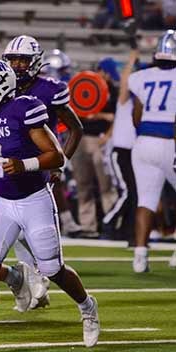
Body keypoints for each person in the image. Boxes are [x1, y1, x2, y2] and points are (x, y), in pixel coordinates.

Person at [0, 57, 99, 351]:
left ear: (2, 86)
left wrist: (25, 164)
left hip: (34, 199)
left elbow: (55, 155)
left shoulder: (23, 109)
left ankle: (87, 306)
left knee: (53, 269)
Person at [2, 35, 85, 308]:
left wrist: (60, 163)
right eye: (12, 59)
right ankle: (35, 280)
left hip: (38, 165)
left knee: (33, 228)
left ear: (36, 62)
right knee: (14, 226)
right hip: (9, 163)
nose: (16, 65)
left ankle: (39, 277)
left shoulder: (50, 89)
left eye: (22, 60)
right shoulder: (1, 86)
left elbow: (75, 128)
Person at [129, 30, 176, 273]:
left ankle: (140, 256)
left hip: (144, 141)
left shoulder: (141, 77)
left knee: (146, 200)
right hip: (170, 139)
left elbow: (136, 115)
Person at [70, 57, 118, 236]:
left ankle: (111, 223)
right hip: (82, 139)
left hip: (100, 141)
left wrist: (108, 134)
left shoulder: (113, 91)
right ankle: (88, 226)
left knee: (106, 185)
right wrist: (101, 116)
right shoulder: (83, 84)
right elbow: (78, 111)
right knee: (83, 185)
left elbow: (116, 117)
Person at [103, 48, 139, 243]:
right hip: (121, 151)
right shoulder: (125, 101)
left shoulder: (139, 103)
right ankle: (108, 223)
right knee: (127, 191)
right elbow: (125, 82)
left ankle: (128, 231)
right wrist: (131, 59)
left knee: (134, 193)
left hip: (134, 153)